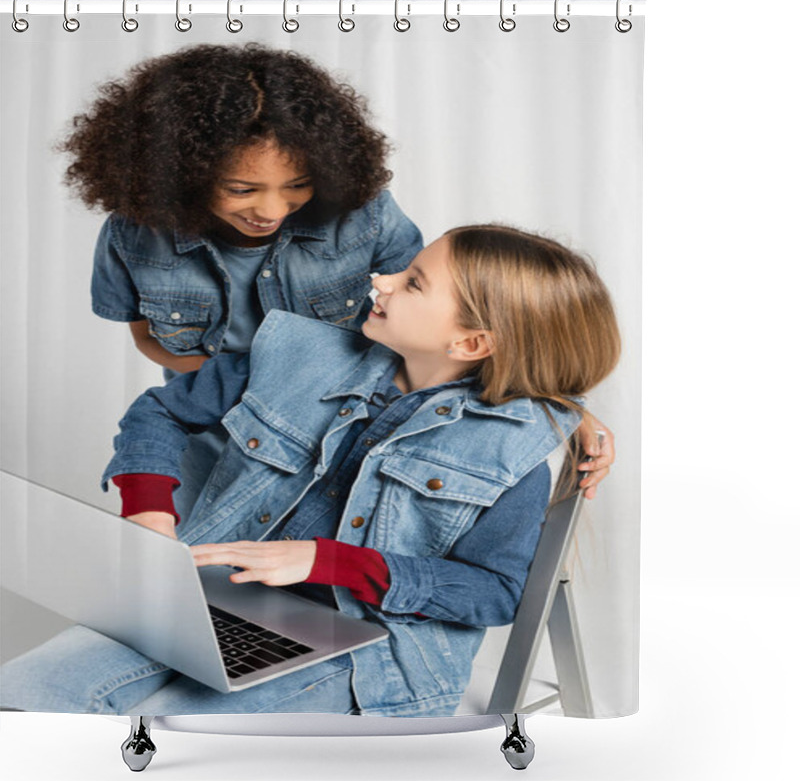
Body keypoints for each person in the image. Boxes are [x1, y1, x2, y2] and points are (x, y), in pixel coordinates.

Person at [0, 225, 621, 717]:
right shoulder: (292, 350)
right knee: (28, 696)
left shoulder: (511, 454)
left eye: (413, 283)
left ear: (472, 344)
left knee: (172, 735)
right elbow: (160, 412)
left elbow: (495, 591)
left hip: (368, 651)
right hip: (202, 602)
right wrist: (147, 510)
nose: (381, 279)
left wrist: (328, 563)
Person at [61, 42, 615, 507]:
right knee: (207, 580)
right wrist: (264, 380)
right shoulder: (135, 235)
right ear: (184, 174)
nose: (272, 210)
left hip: (341, 423)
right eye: (241, 189)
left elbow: (450, 323)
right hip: (210, 425)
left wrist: (554, 410)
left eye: (296, 184)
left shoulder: (362, 213)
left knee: (305, 589)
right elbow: (146, 341)